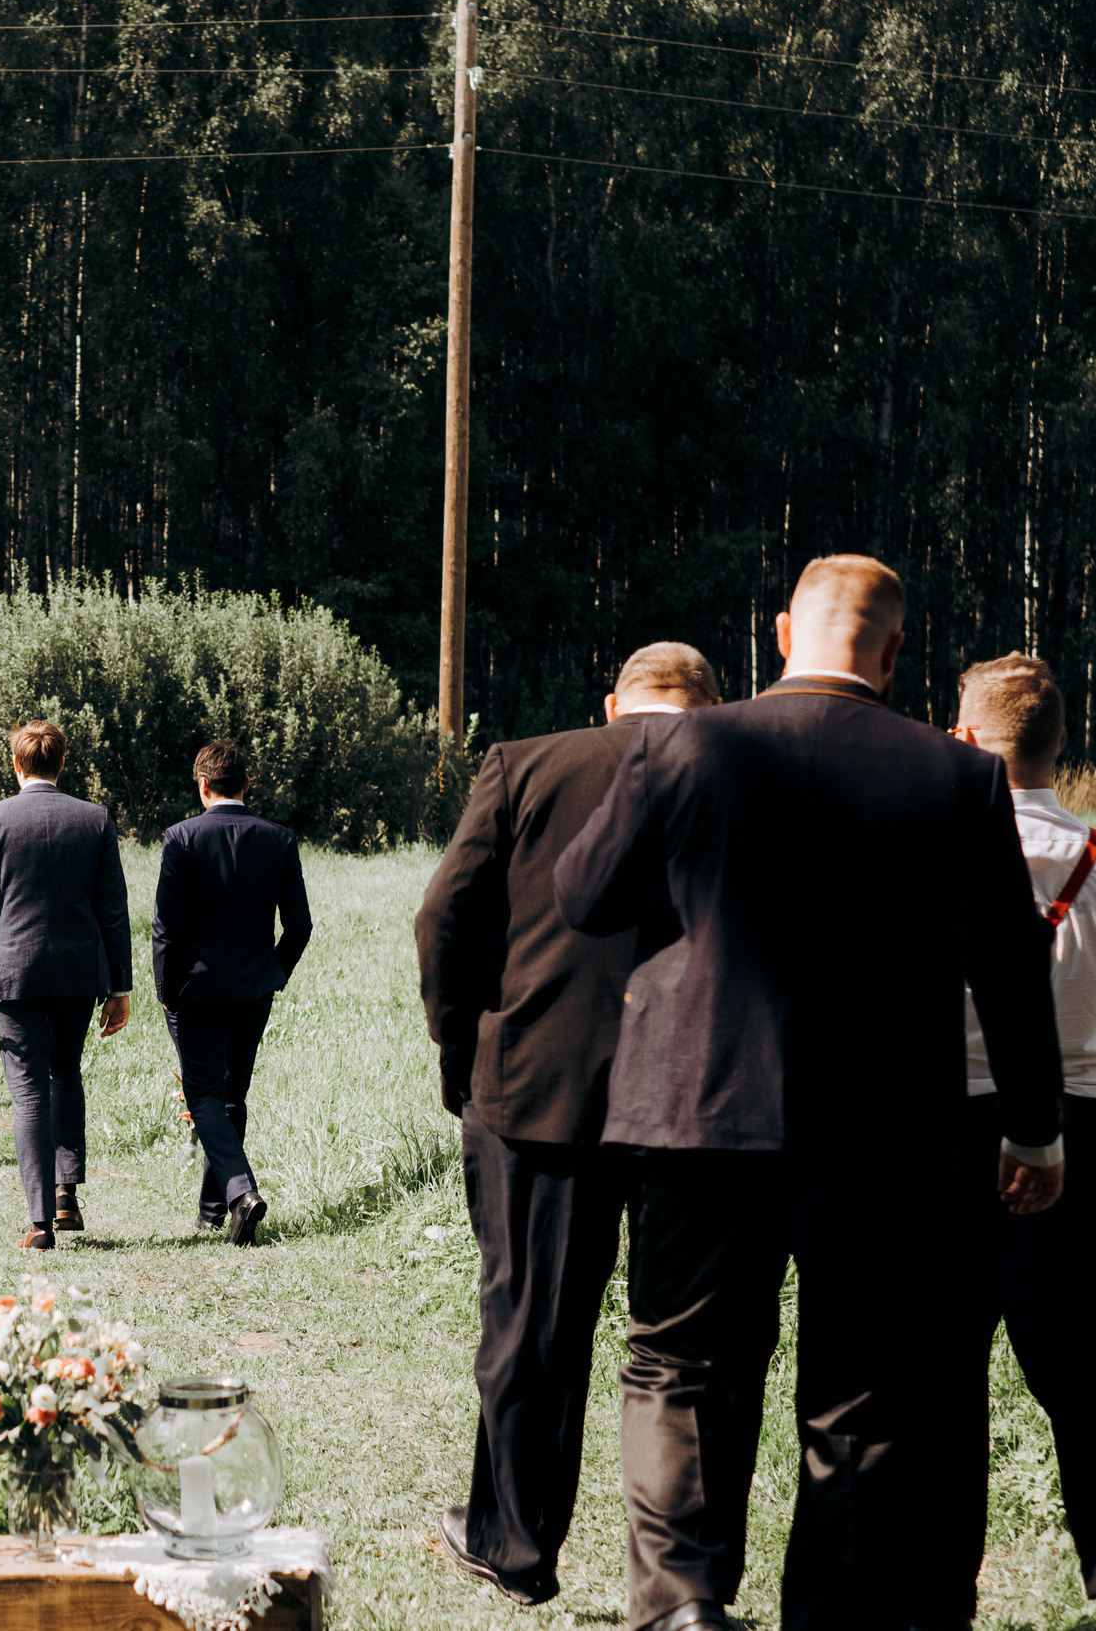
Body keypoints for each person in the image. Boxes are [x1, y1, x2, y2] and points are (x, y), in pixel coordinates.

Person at [551, 555, 1067, 1631]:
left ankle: (684, 1602)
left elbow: (586, 899)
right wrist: (1033, 1129)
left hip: (702, 1111)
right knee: (864, 1393)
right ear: (891, 650)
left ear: (783, 630)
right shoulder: (956, 776)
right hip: (888, 1130)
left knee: (682, 1364)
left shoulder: (679, 745)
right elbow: (1010, 970)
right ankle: (833, 1615)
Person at [414, 642, 723, 1604]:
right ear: (712, 705)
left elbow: (444, 917)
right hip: (696, 1092)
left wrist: (465, 1049)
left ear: (610, 704)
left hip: (538, 1086)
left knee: (532, 1325)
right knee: (686, 1348)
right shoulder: (743, 777)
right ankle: (684, 1580)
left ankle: (516, 1544)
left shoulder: (528, 762)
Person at [922, 655, 1096, 1629]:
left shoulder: (929, 858)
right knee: (1083, 1365)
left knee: (941, 1365)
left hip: (949, 1129)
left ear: (960, 740)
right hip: (1080, 1128)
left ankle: (934, 1593)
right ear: (1059, 744)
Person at [0, 721, 133, 1251]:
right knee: (65, 1071)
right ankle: (66, 1193)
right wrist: (119, 986)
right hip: (78, 973)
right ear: (61, 763)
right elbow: (113, 911)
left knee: (28, 1089)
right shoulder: (94, 819)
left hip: (14, 974)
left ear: (17, 765)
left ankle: (39, 1221)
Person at [151, 741, 311, 1247]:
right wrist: (273, 971)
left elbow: (166, 928)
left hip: (194, 990)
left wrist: (164, 987)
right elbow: (301, 926)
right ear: (246, 784)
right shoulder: (279, 839)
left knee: (203, 1097)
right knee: (231, 1095)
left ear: (202, 786)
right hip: (252, 989)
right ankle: (213, 1211)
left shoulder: (181, 838)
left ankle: (241, 1193)